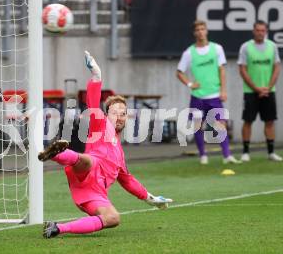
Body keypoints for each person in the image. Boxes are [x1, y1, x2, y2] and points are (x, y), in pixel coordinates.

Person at [39, 51, 173, 239]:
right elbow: (93, 101)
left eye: (123, 113)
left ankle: (58, 228)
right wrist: (96, 75)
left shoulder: (120, 154)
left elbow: (128, 181)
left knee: (113, 218)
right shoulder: (99, 124)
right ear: (106, 114)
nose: (119, 116)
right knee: (89, 160)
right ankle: (54, 154)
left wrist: (152, 199)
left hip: (92, 193)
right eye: (114, 112)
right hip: (84, 169)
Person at [176, 20, 240, 165]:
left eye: (202, 29)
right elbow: (179, 72)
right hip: (197, 97)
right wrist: (190, 84)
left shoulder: (217, 49)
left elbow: (222, 71)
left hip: (214, 96)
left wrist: (223, 90)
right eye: (197, 29)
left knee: (220, 125)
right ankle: (203, 155)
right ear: (194, 33)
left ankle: (227, 155)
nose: (200, 32)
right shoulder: (189, 53)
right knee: (198, 126)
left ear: (206, 31)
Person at [237, 20, 282, 162]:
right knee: (248, 121)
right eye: (258, 30)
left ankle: (271, 153)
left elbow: (276, 67)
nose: (260, 33)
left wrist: (268, 87)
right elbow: (242, 70)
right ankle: (245, 152)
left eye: (263, 30)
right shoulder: (245, 47)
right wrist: (256, 88)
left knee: (269, 121)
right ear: (253, 31)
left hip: (268, 91)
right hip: (250, 92)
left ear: (266, 31)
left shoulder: (272, 46)